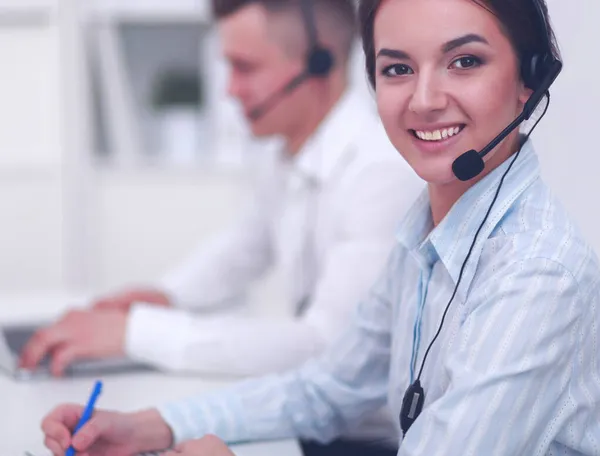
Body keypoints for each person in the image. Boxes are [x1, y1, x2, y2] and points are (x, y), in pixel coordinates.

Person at [41, 0, 600, 455]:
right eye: (397, 68)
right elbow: (326, 387)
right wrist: (153, 425)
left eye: (465, 61)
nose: (425, 100)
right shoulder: (429, 228)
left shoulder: (536, 274)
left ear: (530, 79)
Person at [24, 0, 422, 452]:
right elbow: (241, 249)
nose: (230, 90)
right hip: (309, 423)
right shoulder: (288, 154)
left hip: (362, 440)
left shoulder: (380, 170)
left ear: (319, 61)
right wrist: (163, 296)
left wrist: (134, 332)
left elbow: (322, 347)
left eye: (244, 68)